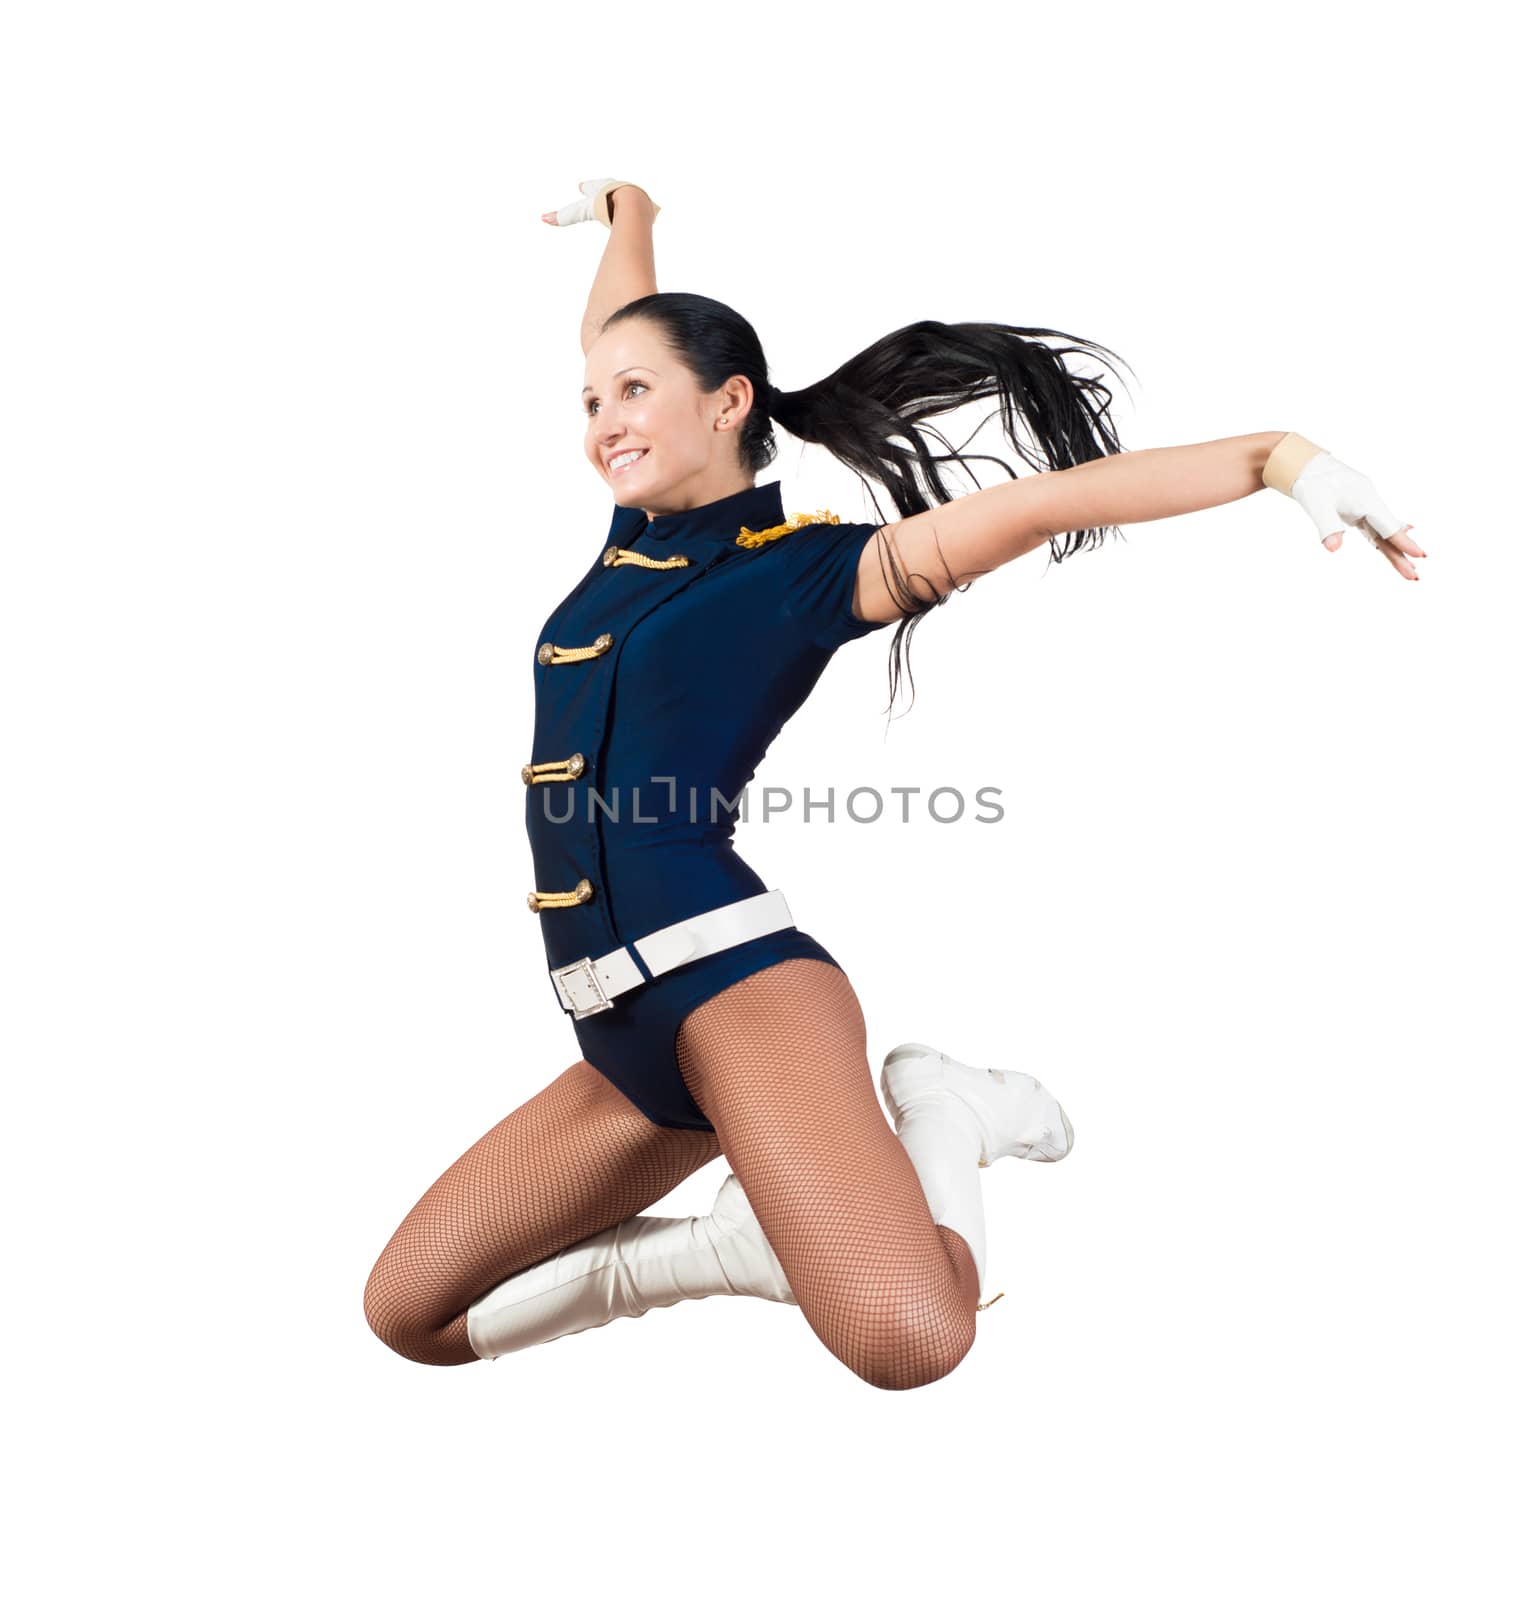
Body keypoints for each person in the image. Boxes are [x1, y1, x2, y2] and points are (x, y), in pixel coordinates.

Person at [363, 178, 1422, 1390]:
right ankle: (736, 1249)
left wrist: (1283, 460)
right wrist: (629, 210)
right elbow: (620, 323)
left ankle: (950, 1113)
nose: (604, 418)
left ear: (729, 403)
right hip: (619, 1035)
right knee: (415, 1316)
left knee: (908, 1337)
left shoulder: (812, 572)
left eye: (635, 393)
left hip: (739, 994)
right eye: (590, 401)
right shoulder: (626, 543)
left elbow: (1045, 504)